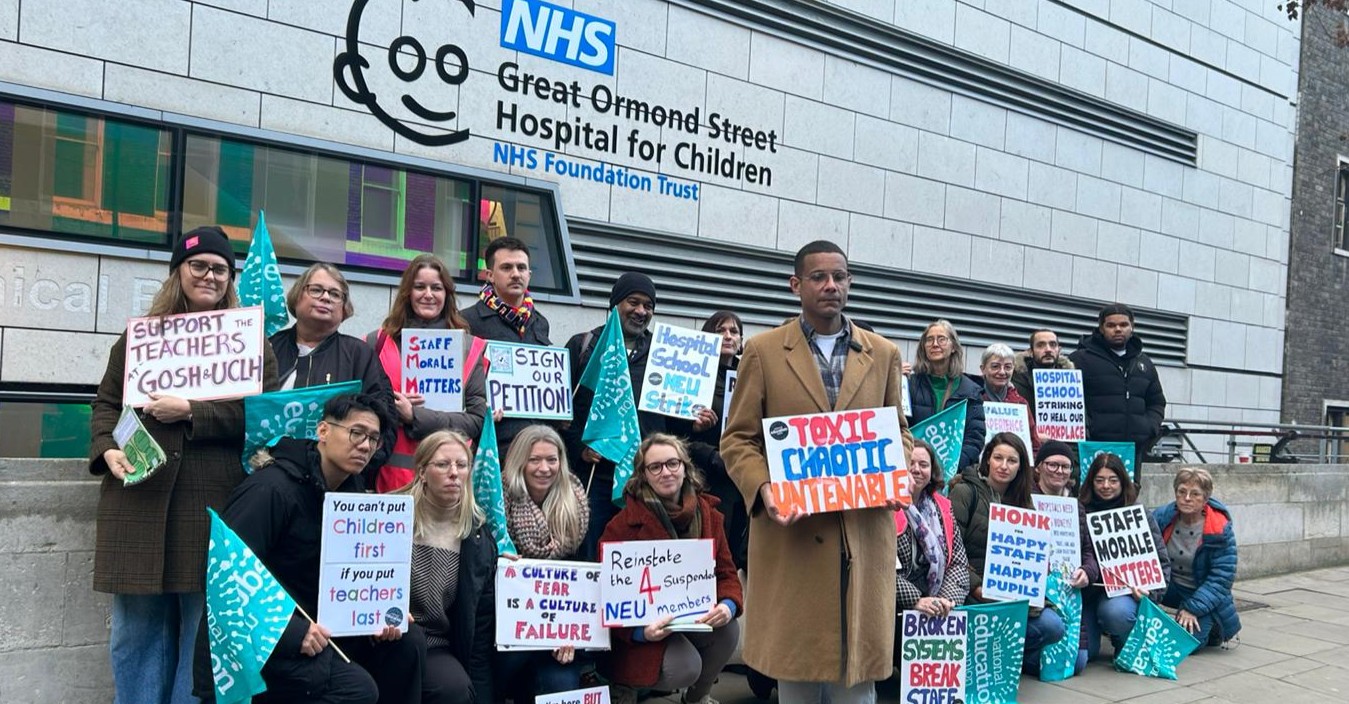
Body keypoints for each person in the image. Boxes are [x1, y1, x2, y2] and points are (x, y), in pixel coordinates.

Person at [90, 226, 279, 704]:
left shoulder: (251, 343)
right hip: (138, 498)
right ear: (178, 272)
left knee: (202, 633)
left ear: (230, 279)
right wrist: (106, 449)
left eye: (220, 269)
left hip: (213, 501)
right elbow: (106, 405)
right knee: (134, 635)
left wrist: (194, 411)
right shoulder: (138, 338)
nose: (209, 276)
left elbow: (265, 416)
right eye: (199, 266)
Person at [722, 240, 910, 704]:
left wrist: (895, 467)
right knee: (798, 674)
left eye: (840, 277)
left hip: (862, 531)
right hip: (796, 537)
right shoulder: (764, 352)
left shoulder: (882, 354)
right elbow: (738, 439)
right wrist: (764, 488)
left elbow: (899, 431)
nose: (831, 286)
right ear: (795, 285)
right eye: (819, 277)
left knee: (858, 677)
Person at [215, 394, 423, 704]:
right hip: (266, 640)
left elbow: (359, 574)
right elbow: (225, 578)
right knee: (357, 690)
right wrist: (291, 633)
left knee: (409, 642)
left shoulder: (354, 493)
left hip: (327, 629)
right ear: (323, 431)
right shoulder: (270, 490)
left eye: (374, 439)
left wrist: (379, 608)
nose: (365, 446)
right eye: (356, 433)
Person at [600, 434, 742, 704]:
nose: (666, 472)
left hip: (692, 618)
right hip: (647, 629)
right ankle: (626, 685)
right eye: (655, 467)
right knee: (685, 667)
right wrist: (640, 633)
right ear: (643, 475)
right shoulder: (621, 526)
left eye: (672, 463)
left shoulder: (709, 515)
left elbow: (726, 573)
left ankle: (697, 698)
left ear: (685, 467)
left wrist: (727, 605)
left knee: (729, 630)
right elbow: (608, 598)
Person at [564, 272, 667, 559]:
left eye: (648, 306)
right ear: (614, 305)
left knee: (638, 555)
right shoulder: (583, 346)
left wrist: (697, 420)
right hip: (594, 477)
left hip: (647, 477)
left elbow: (674, 422)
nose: (641, 311)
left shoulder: (662, 354)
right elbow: (561, 411)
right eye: (633, 302)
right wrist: (579, 448)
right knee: (588, 550)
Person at [367, 254, 489, 492]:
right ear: (407, 293)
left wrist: (415, 416)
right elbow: (360, 406)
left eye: (437, 287)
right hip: (389, 480)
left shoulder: (470, 348)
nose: (428, 294)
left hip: (449, 480)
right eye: (419, 287)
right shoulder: (376, 342)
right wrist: (391, 407)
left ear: (447, 294)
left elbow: (477, 420)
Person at [949, 432, 1065, 675]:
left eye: (1012, 461)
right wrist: (976, 587)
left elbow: (1034, 554)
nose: (1003, 466)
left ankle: (1002, 657)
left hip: (1012, 594)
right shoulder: (964, 492)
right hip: (972, 592)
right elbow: (949, 549)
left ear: (1021, 466)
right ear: (987, 459)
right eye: (998, 458)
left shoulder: (1025, 502)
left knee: (1052, 626)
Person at [269, 263, 396, 483]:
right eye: (316, 290)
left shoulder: (359, 355)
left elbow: (384, 422)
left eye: (335, 294)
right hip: (270, 473)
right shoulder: (268, 348)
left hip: (336, 482)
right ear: (297, 296)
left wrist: (350, 471)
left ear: (344, 308)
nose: (325, 298)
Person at [396, 430, 497, 704]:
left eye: (461, 465)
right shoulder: (387, 516)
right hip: (384, 636)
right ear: (422, 472)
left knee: (455, 689)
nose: (454, 473)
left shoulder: (479, 539)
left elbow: (480, 631)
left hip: (437, 645)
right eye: (442, 465)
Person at [496, 425, 590, 699]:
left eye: (552, 459)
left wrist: (569, 632)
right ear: (519, 461)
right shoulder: (498, 501)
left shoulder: (576, 500)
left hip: (558, 630)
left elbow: (583, 579)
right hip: (508, 627)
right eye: (534, 459)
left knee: (562, 683)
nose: (544, 468)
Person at [669, 310, 748, 568]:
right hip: (708, 476)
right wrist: (698, 429)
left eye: (734, 331)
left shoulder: (749, 376)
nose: (728, 336)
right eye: (720, 330)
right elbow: (674, 433)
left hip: (742, 475)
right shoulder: (690, 376)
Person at [461, 236, 553, 456]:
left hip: (533, 448)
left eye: (522, 268)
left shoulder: (540, 323)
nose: (515, 274)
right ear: (490, 275)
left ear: (529, 274)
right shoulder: (466, 322)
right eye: (506, 267)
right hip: (490, 446)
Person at [1078, 453, 1171, 660]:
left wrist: (1150, 593)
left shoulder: (1139, 513)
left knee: (1116, 613)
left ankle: (1126, 641)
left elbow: (1160, 560)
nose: (1106, 486)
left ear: (1123, 481)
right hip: (1088, 596)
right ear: (1091, 482)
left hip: (1122, 596)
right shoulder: (1080, 511)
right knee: (1087, 653)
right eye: (1099, 480)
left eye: (1113, 480)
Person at [894, 439, 970, 662]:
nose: (916, 470)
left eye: (923, 464)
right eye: (910, 463)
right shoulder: (885, 507)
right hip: (899, 599)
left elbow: (958, 562)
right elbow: (876, 568)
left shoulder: (942, 507)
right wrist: (915, 600)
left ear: (932, 470)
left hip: (936, 594)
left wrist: (944, 601)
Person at [1031, 440, 1101, 673]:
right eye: (1052, 465)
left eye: (1065, 466)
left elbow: (1090, 553)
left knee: (1080, 662)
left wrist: (1087, 572)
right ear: (1038, 467)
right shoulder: (1023, 499)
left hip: (1069, 592)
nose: (1059, 471)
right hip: (1037, 592)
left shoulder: (1076, 507)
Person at [1069, 304, 1167, 468]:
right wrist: (1088, 430)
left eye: (1123, 325)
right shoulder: (1080, 360)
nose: (1118, 329)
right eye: (1111, 325)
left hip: (1133, 450)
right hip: (1093, 448)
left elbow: (1156, 401)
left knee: (1130, 493)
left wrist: (1149, 427)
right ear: (1101, 328)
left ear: (1132, 327)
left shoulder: (1144, 363)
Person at [1153, 467, 1242, 647]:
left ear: (1205, 499)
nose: (1187, 498)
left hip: (1200, 591)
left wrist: (1192, 608)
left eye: (1195, 494)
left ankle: (1213, 624)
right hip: (1169, 586)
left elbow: (1221, 578)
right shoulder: (1160, 517)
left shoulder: (1219, 530)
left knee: (1185, 643)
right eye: (1182, 492)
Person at [909, 320, 986, 472]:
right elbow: (902, 428)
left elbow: (974, 438)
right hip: (915, 468)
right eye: (929, 340)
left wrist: (952, 468)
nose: (935, 344)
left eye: (942, 339)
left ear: (953, 347)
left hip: (954, 473)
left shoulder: (970, 391)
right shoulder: (910, 385)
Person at [1012, 329, 1075, 446]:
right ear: (1030, 352)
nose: (1048, 349)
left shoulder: (1072, 381)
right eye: (1041, 345)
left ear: (1059, 350)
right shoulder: (1016, 381)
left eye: (1052, 345)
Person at [978, 343, 1040, 455]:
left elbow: (1034, 445)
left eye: (1007, 367)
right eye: (995, 366)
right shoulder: (973, 399)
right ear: (983, 369)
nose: (1002, 372)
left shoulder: (1020, 403)